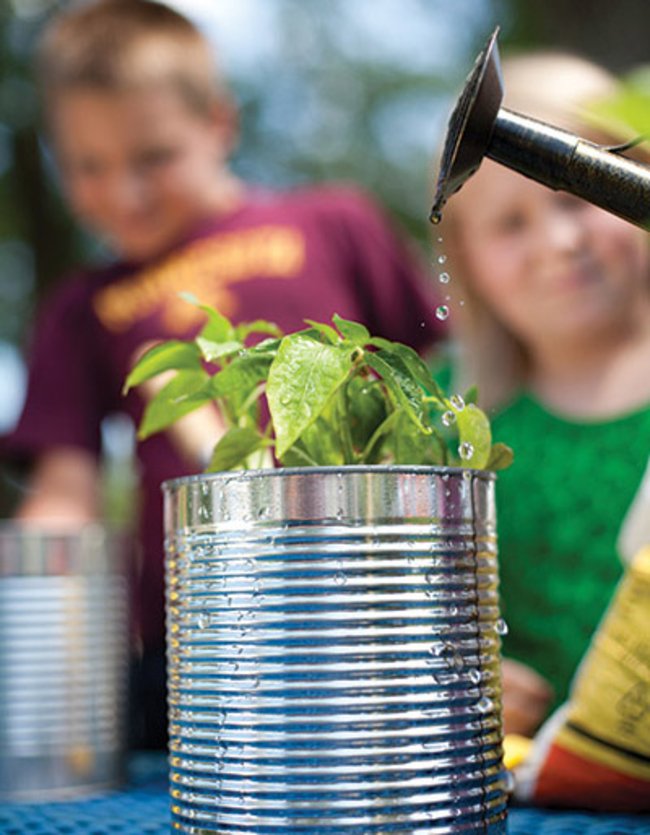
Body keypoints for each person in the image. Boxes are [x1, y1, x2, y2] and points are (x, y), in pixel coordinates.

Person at [2, 0, 443, 748]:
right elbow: (65, 496)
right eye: (87, 166)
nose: (124, 192)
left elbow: (438, 383)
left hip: (374, 615)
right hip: (197, 646)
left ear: (219, 123)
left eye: (153, 158)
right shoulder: (83, 309)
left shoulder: (332, 224)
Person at [434, 51, 650, 737]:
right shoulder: (442, 410)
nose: (559, 243)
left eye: (580, 198)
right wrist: (455, 676)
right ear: (465, 255)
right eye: (510, 224)